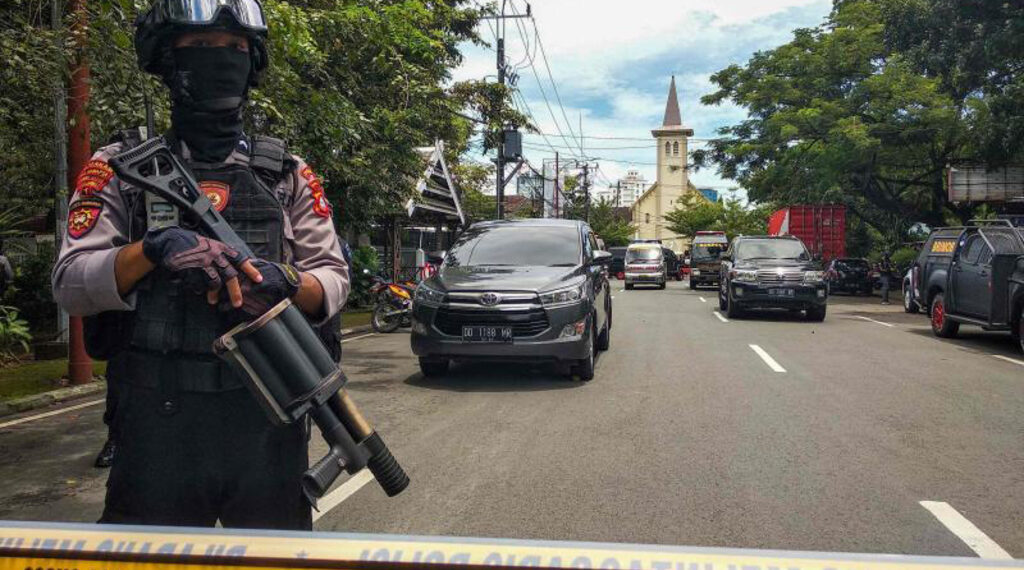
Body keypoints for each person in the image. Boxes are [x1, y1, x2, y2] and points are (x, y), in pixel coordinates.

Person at [52, 0, 349, 529]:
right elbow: (72, 284)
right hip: (156, 428)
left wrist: (286, 280)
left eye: (234, 49)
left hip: (267, 419)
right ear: (168, 61)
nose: (221, 60)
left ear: (252, 61)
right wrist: (155, 248)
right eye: (202, 48)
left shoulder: (287, 173)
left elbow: (332, 280)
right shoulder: (118, 168)